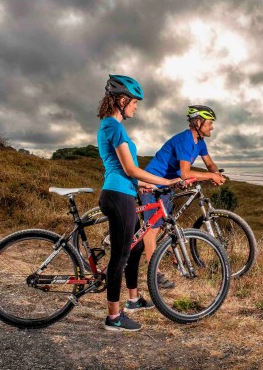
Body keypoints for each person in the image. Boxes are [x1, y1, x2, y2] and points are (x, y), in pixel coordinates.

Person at [97, 74, 181, 332]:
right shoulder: (113, 126)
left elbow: (125, 172)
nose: (136, 107)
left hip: (124, 192)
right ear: (122, 100)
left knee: (133, 250)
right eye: (134, 102)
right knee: (119, 259)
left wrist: (147, 185)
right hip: (117, 195)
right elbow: (130, 169)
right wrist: (166, 182)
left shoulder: (112, 127)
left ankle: (133, 300)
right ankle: (113, 317)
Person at [139, 105, 226, 288]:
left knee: (166, 224)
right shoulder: (185, 140)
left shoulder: (200, 142)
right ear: (198, 122)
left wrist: (217, 174)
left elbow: (209, 164)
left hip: (168, 184)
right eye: (209, 123)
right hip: (153, 184)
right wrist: (211, 176)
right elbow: (186, 173)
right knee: (151, 229)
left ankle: (169, 254)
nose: (212, 127)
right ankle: (154, 273)